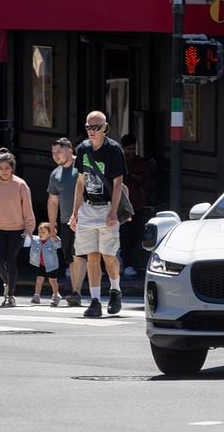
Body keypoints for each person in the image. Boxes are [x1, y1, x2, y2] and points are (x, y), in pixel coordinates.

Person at [69, 111, 127, 318]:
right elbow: (80, 182)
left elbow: (118, 182)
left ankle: (115, 290)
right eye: (88, 127)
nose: (91, 131)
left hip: (106, 207)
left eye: (96, 128)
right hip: (87, 207)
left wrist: (113, 212)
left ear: (105, 128)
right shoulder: (83, 149)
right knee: (92, 256)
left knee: (109, 256)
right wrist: (74, 213)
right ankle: (95, 301)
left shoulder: (114, 150)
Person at [0, 151, 36, 307]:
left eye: (7, 168)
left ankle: (10, 295)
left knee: (11, 261)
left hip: (18, 229)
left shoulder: (21, 185)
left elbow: (28, 209)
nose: (4, 170)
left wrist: (28, 229)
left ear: (12, 169)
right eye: (1, 168)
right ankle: (7, 284)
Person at [47, 137, 87, 307]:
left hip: (86, 218)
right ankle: (75, 291)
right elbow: (53, 201)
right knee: (70, 257)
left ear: (70, 150)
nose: (55, 155)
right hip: (65, 221)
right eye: (53, 153)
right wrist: (52, 225)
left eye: (59, 151)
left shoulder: (82, 167)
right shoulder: (55, 174)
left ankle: (76, 292)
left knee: (80, 255)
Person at [119, 133, 151, 277]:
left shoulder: (141, 163)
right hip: (122, 207)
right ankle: (127, 263)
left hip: (137, 206)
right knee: (125, 236)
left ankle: (136, 263)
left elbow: (147, 182)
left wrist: (138, 179)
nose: (130, 152)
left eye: (133, 149)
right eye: (128, 149)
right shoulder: (118, 162)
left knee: (138, 236)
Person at [28, 222, 62, 306]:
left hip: (51, 265)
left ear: (50, 233)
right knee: (39, 280)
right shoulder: (36, 240)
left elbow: (59, 245)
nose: (40, 234)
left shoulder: (52, 240)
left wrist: (54, 235)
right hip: (41, 265)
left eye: (43, 232)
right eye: (39, 232)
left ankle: (56, 295)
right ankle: (36, 295)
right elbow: (29, 237)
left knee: (52, 280)